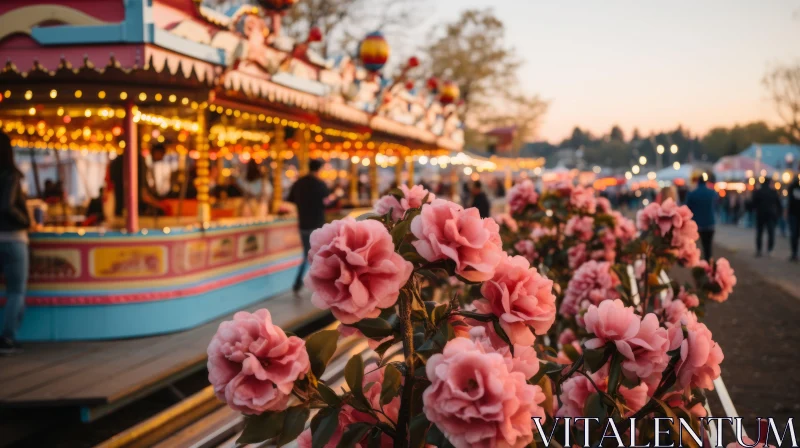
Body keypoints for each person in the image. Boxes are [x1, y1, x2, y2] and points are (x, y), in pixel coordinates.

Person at [0, 131, 31, 355]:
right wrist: (26, 221)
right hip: (12, 237)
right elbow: (7, 206)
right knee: (16, 291)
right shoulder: (10, 174)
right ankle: (8, 337)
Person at [287, 159, 338, 293]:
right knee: (318, 255)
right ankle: (319, 283)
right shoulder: (320, 184)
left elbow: (290, 199)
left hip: (303, 224)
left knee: (307, 253)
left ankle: (299, 282)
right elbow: (326, 203)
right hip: (317, 224)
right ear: (319, 169)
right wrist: (336, 197)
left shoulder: (298, 183)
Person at [109, 143, 166, 217]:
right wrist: (159, 205)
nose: (162, 157)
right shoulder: (139, 161)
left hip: (119, 208)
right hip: (135, 209)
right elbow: (143, 194)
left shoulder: (117, 161)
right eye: (162, 154)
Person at [685, 175, 718, 261]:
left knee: (697, 247)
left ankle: (699, 264)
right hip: (710, 223)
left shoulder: (692, 194)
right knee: (708, 247)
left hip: (697, 224)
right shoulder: (712, 193)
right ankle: (708, 263)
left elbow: (688, 208)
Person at [752, 179, 782, 257]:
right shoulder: (773, 192)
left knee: (759, 233)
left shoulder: (758, 192)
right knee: (771, 233)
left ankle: (759, 250)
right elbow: (778, 204)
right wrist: (778, 213)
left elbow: (753, 203)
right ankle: (769, 250)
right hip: (770, 215)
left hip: (760, 215)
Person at [788, 164, 800, 262]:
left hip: (794, 214)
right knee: (794, 234)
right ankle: (794, 253)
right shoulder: (794, 185)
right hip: (794, 214)